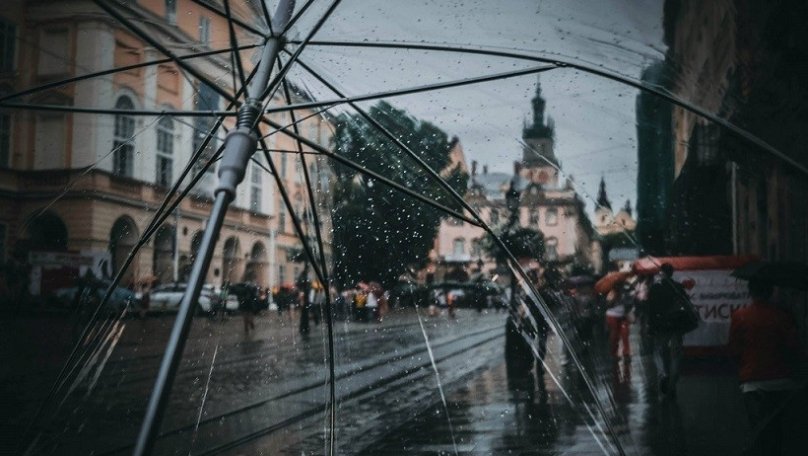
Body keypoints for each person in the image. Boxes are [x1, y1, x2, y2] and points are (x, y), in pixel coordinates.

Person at [729, 278, 803, 456]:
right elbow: (793, 347)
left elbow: (734, 350)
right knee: (778, 430)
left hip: (753, 381)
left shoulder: (740, 316)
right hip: (782, 381)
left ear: (750, 292)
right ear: (770, 292)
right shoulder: (782, 316)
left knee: (759, 429)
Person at [647, 263, 689, 398]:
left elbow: (650, 309)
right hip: (676, 326)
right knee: (675, 356)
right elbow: (685, 306)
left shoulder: (655, 288)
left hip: (661, 326)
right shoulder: (678, 287)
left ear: (661, 273)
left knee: (658, 351)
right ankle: (672, 385)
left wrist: (651, 326)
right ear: (672, 273)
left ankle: (663, 374)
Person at [605, 285, 632, 359]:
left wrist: (624, 301)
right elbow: (607, 304)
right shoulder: (611, 293)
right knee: (615, 335)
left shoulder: (625, 292)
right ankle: (614, 353)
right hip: (612, 316)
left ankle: (626, 352)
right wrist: (614, 299)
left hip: (623, 316)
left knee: (625, 333)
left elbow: (630, 303)